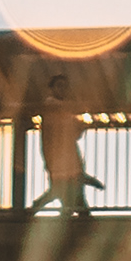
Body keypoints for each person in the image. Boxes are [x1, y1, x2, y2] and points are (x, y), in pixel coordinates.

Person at [34, 75, 103, 218]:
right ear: (52, 88)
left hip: (67, 157)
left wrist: (81, 125)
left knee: (65, 191)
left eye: (64, 86)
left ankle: (39, 210)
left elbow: (74, 134)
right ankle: (78, 217)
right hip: (59, 158)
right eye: (59, 86)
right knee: (67, 190)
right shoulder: (51, 105)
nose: (62, 89)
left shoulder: (65, 111)